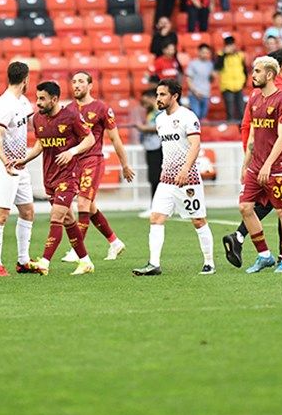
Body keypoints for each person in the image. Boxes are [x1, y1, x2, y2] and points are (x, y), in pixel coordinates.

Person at [224, 48, 282, 268]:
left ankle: (241, 238)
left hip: (261, 160)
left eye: (256, 71)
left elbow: (246, 128)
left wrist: (246, 158)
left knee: (270, 205)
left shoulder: (258, 95)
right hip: (272, 162)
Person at [9, 81, 95, 276]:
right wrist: (24, 159)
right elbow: (41, 143)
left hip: (69, 175)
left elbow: (90, 139)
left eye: (42, 99)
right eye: (37, 98)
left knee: (56, 217)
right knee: (67, 220)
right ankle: (85, 262)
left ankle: (45, 262)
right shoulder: (38, 119)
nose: (37, 103)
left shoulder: (71, 116)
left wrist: (72, 152)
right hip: (50, 177)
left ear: (54, 99)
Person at [132, 79, 214, 276]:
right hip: (167, 179)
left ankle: (209, 262)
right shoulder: (160, 119)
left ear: (174, 96)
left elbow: (195, 145)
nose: (158, 98)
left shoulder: (188, 116)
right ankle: (154, 264)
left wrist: (186, 169)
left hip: (189, 179)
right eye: (157, 94)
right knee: (156, 217)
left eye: (162, 94)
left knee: (198, 220)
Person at [61, 72, 136, 263]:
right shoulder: (68, 110)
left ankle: (77, 251)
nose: (76, 85)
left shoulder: (101, 108)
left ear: (90, 85)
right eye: (74, 82)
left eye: (80, 81)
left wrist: (125, 165)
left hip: (93, 160)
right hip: (74, 164)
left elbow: (115, 138)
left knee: (83, 204)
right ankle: (114, 242)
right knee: (90, 207)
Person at [237, 57, 282, 274]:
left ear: (270, 75)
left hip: (278, 167)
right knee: (245, 207)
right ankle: (264, 255)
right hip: (256, 167)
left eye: (257, 71)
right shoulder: (255, 99)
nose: (253, 75)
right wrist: (245, 164)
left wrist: (268, 165)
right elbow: (253, 136)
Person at [0, 62, 36, 277]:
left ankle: (23, 261)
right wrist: (5, 160)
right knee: (2, 215)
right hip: (5, 166)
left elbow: (36, 124)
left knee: (27, 211)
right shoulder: (5, 104)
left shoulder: (23, 102)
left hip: (21, 164)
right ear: (26, 79)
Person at [134, 89, 162, 217]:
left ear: (152, 98)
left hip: (158, 148)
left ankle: (156, 208)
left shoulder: (161, 112)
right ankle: (156, 206)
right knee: (153, 178)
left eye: (145, 101)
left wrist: (144, 128)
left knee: (156, 178)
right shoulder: (152, 113)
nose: (144, 105)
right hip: (151, 147)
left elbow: (160, 127)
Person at [216, 36, 247, 122]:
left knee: (241, 110)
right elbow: (218, 67)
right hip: (227, 86)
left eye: (232, 45)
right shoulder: (220, 55)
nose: (231, 47)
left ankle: (242, 130)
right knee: (230, 112)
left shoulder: (240, 55)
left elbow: (244, 70)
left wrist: (244, 82)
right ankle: (231, 130)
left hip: (239, 86)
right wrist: (224, 54)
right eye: (228, 45)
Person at [185, 44, 216, 120]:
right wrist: (195, 92)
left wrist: (213, 76)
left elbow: (210, 80)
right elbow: (188, 79)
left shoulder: (210, 64)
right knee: (196, 115)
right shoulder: (193, 63)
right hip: (194, 94)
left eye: (207, 53)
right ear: (198, 52)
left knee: (203, 115)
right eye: (203, 52)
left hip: (206, 94)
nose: (205, 54)